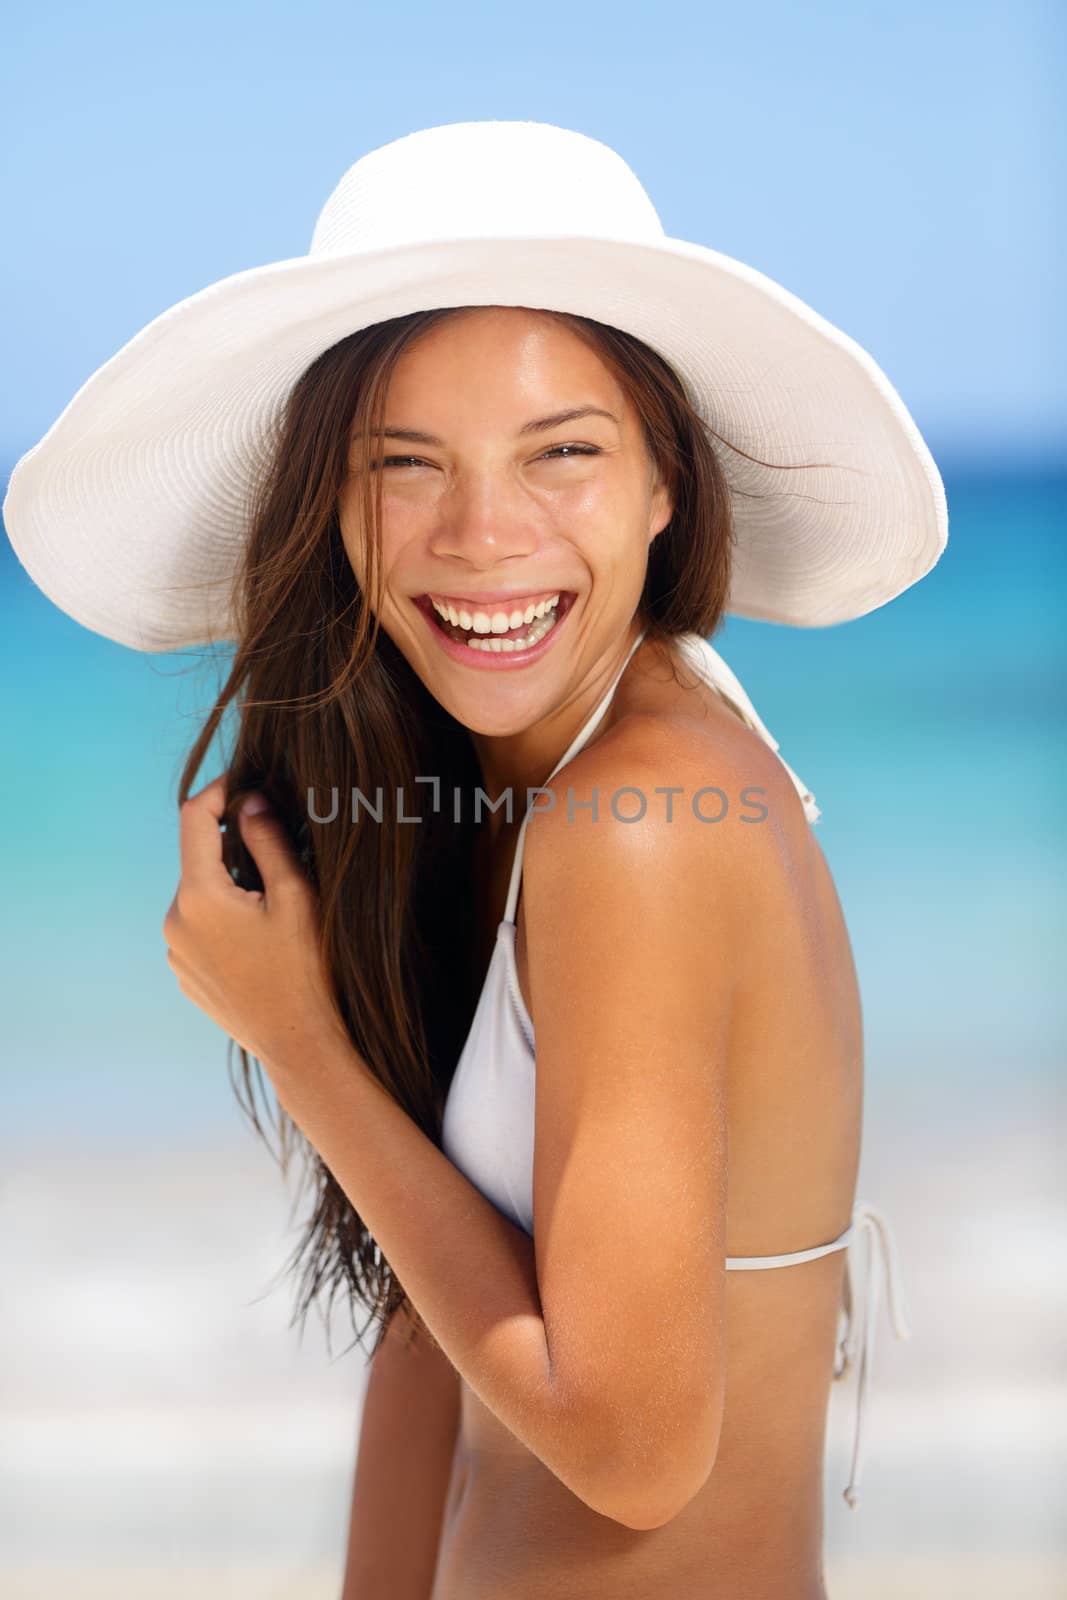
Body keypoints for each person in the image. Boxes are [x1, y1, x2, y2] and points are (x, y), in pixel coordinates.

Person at [3, 120, 943, 1599]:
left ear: (664, 485)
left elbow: (633, 1452)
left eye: (561, 452)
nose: (484, 534)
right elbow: (435, 1351)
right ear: (333, 504)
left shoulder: (635, 824)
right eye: (407, 465)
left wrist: (300, 1039)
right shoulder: (517, 797)